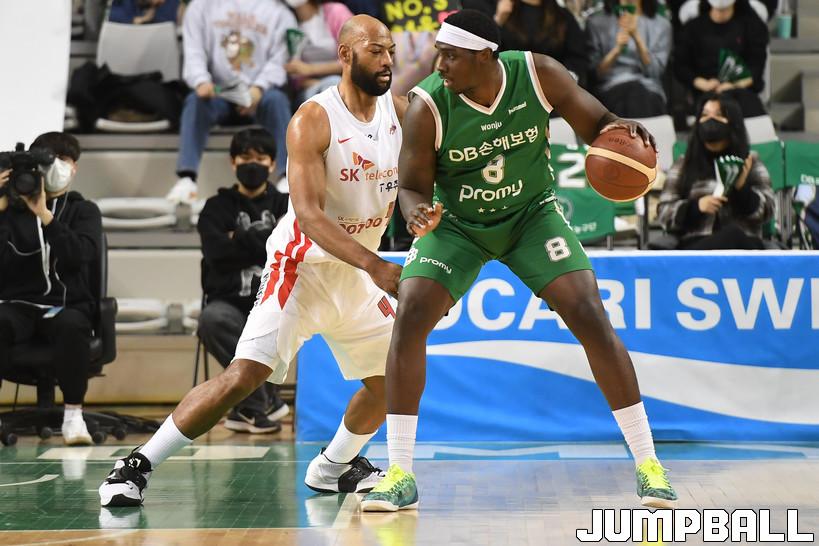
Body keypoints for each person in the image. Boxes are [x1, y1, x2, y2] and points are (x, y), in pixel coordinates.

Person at [361, 9, 677, 512]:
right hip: (458, 224)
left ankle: (649, 465)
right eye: (440, 54)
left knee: (590, 314)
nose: (439, 64)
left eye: (452, 56)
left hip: (531, 216)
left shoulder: (539, 73)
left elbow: (597, 123)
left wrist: (621, 130)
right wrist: (417, 212)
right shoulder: (427, 105)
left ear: (486, 56)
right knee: (411, 312)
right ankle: (399, 472)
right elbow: (414, 186)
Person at [99, 14, 407, 507]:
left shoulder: (400, 111)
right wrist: (376, 265)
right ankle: (137, 464)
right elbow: (309, 217)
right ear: (346, 55)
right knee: (242, 377)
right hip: (301, 269)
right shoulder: (314, 119)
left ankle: (334, 466)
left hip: (356, 273)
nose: (387, 60)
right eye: (376, 50)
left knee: (392, 378)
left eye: (390, 50)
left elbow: (420, 177)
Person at [0, 132, 102, 446]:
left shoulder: (83, 210)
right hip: (18, 305)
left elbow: (78, 256)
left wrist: (45, 215)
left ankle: (73, 416)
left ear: (74, 167)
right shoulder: (9, 210)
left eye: (64, 159)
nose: (56, 165)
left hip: (66, 305)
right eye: (48, 158)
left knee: (72, 324)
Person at [196, 128, 290, 433]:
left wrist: (238, 237)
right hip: (228, 303)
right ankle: (261, 402)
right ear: (233, 161)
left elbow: (290, 249)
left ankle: (249, 407)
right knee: (212, 320)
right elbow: (216, 254)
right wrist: (266, 239)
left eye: (260, 158)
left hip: (276, 302)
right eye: (245, 157)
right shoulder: (215, 207)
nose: (253, 164)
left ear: (273, 164)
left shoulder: (287, 204)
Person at [166, 0, 296, 204]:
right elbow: (193, 52)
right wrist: (201, 81)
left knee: (277, 101)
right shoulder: (200, 7)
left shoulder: (280, 12)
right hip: (218, 93)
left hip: (260, 94)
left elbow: (280, 61)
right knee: (195, 102)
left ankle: (286, 178)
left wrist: (257, 89)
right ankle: (187, 178)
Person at [656, 93, 774, 249]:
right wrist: (696, 207)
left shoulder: (750, 162)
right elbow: (664, 213)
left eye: (718, 115)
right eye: (705, 115)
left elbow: (768, 211)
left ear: (733, 122)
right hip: (698, 246)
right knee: (729, 235)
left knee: (733, 234)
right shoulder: (684, 164)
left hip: (743, 246)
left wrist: (741, 189)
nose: (710, 120)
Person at [674, 0, 769, 118]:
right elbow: (681, 66)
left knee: (743, 106)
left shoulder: (752, 27)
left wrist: (733, 85)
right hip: (704, 93)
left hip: (741, 93)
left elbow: (756, 68)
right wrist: (703, 83)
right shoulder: (692, 28)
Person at [586, 0, 671, 118]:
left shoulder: (661, 25)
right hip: (611, 87)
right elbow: (595, 74)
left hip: (649, 89)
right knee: (629, 96)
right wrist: (616, 50)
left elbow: (655, 72)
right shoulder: (596, 23)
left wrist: (637, 38)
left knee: (636, 94)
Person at [493, 0, 587, 86]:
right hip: (511, 87)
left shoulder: (562, 16)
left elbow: (577, 57)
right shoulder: (503, 10)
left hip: (553, 87)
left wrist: (566, 79)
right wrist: (498, 20)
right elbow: (490, 54)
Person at [284, 0, 354, 104]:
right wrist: (313, 83)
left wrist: (310, 69)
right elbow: (292, 73)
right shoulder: (286, 21)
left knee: (335, 86)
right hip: (308, 88)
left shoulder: (336, 12)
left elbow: (353, 58)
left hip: (344, 80)